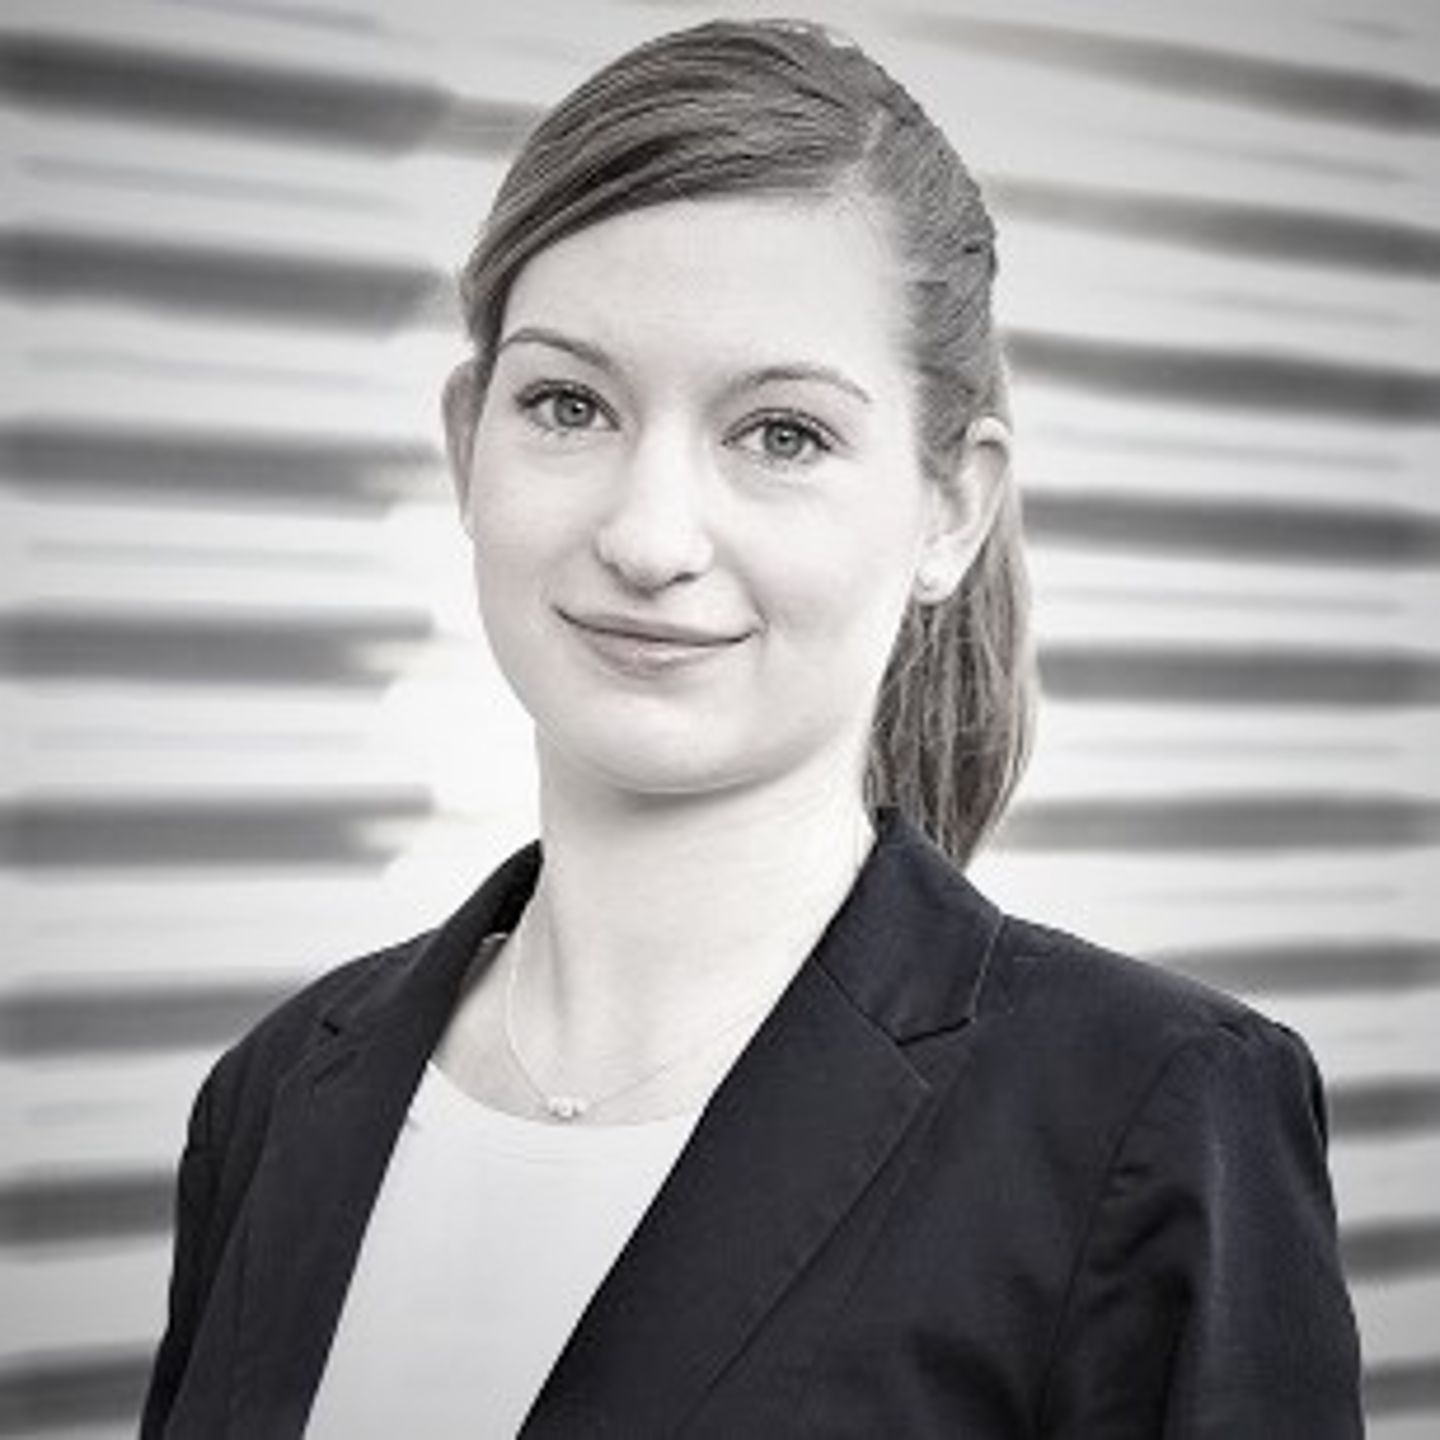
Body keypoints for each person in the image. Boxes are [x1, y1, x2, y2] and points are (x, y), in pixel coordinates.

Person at [141, 17, 1363, 1438]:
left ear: (949, 508)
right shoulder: (279, 1094)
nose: (650, 536)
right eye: (568, 403)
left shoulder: (1151, 1120)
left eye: (781, 433)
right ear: (467, 439)